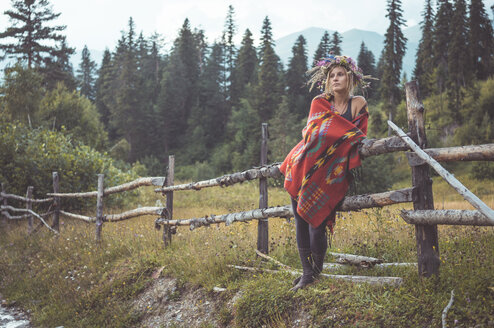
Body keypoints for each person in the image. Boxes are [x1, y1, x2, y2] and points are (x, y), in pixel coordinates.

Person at [279, 54, 373, 291]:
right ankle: (306, 272)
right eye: (331, 76)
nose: (335, 79)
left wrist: (337, 136)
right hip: (303, 167)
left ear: (350, 77)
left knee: (316, 221)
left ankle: (316, 272)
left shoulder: (357, 104)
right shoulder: (319, 103)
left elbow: (358, 137)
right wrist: (340, 136)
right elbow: (314, 135)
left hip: (332, 172)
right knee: (300, 219)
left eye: (340, 74)